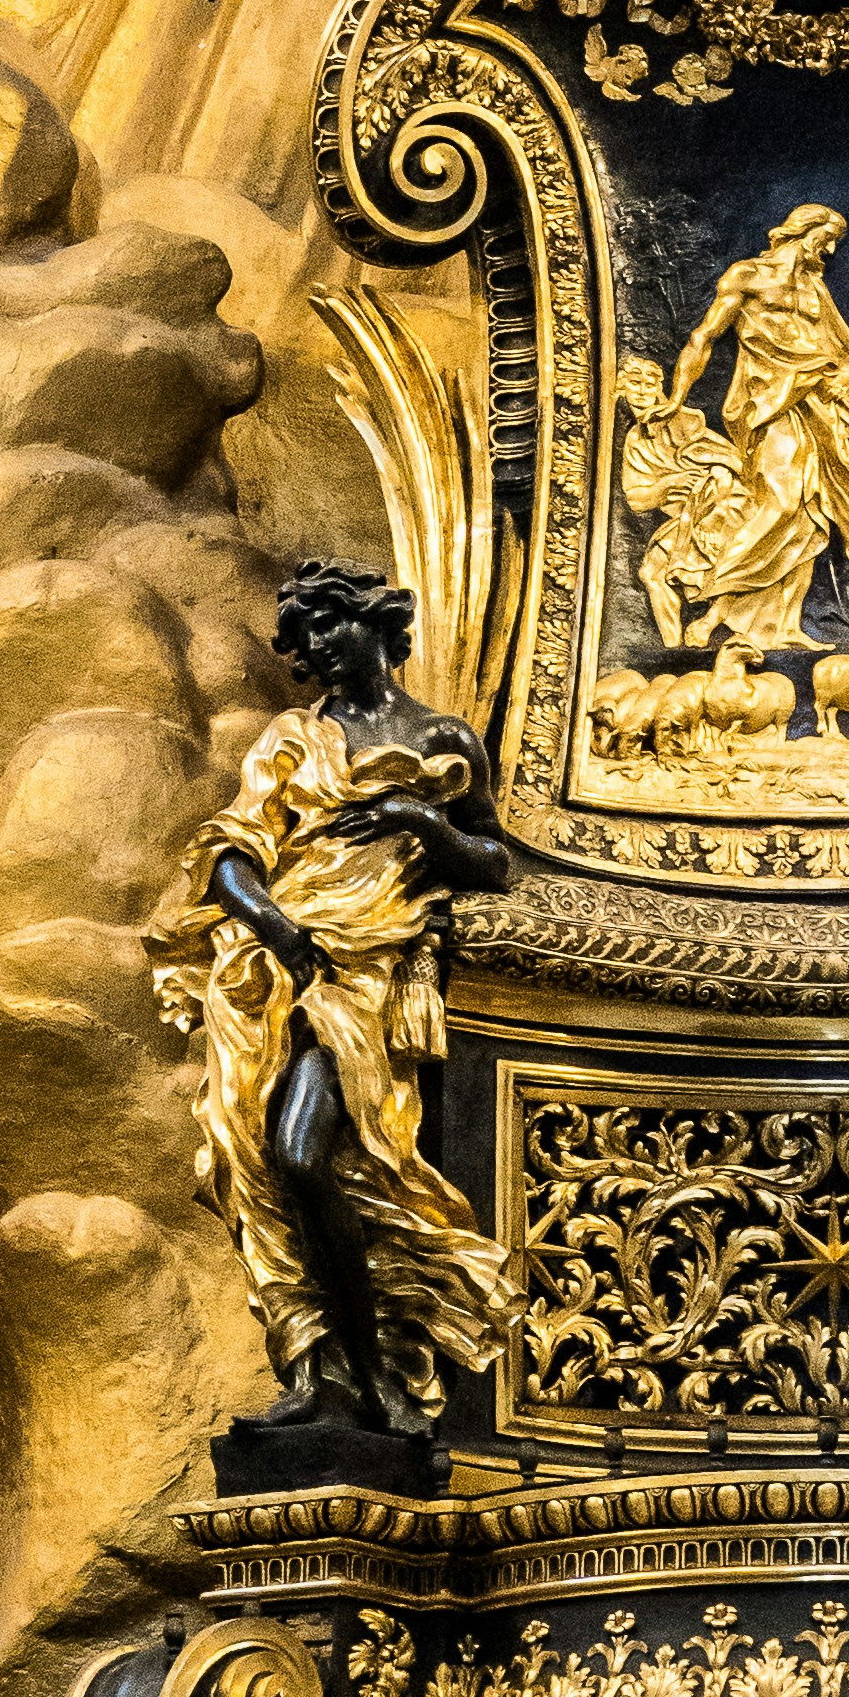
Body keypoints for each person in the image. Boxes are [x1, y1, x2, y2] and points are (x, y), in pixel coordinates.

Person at [150, 555, 525, 1465]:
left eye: (327, 622)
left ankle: (370, 1368)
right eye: (302, 630)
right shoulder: (289, 739)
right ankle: (321, 1375)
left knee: (301, 1152)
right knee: (256, 1162)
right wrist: (274, 926)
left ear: (377, 624)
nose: (312, 644)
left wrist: (423, 821)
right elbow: (230, 857)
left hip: (368, 972)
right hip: (273, 967)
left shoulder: (444, 741)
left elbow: (497, 862)